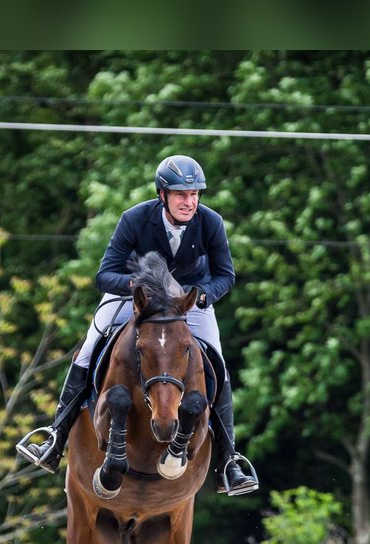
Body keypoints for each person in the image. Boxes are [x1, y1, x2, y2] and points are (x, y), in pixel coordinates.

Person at [19, 154, 259, 496]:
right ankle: (55, 437)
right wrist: (140, 287)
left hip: (188, 305)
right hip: (137, 302)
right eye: (180, 194)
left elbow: (225, 275)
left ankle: (228, 461)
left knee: (217, 364)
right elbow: (105, 275)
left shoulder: (211, 222)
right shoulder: (135, 218)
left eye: (194, 195)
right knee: (89, 347)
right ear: (162, 194)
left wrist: (203, 296)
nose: (189, 202)